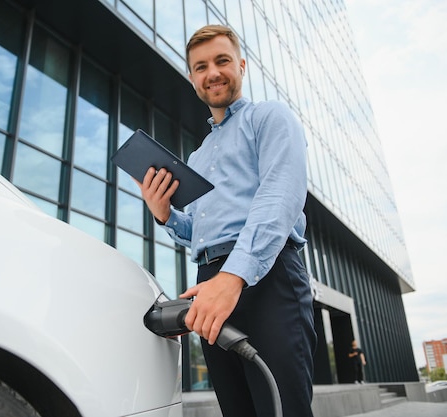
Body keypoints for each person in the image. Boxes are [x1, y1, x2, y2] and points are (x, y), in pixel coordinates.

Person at [136, 25, 317, 416]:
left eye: (222, 61)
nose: (212, 72)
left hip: (268, 278)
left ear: (242, 65)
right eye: (201, 66)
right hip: (210, 283)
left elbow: (279, 199)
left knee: (281, 409)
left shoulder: (270, 117)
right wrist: (164, 213)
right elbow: (201, 230)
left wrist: (233, 278)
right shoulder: (198, 157)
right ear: (192, 78)